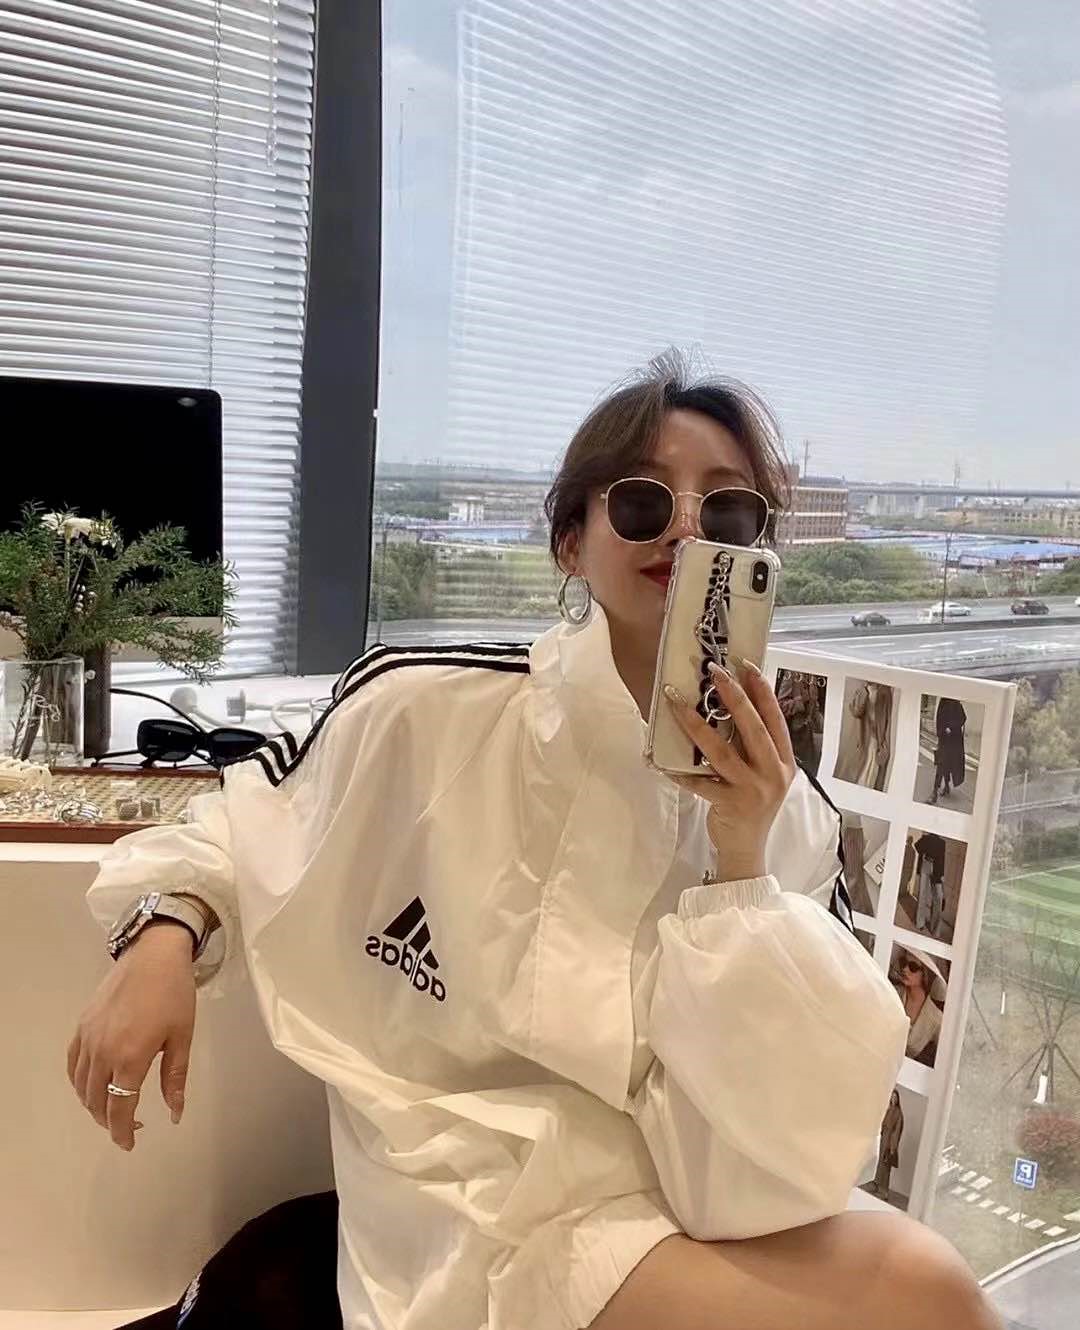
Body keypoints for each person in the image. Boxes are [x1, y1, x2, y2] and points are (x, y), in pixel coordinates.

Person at [69, 354, 1001, 1330]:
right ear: (571, 543)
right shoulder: (431, 705)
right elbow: (249, 809)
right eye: (642, 502)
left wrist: (740, 863)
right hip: (478, 1190)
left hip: (692, 1185)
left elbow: (792, 1130)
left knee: (936, 1288)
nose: (686, 530)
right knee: (925, 1297)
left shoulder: (790, 809)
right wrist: (163, 934)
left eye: (726, 512)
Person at [892, 948, 947, 1068]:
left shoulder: (936, 1019)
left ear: (925, 974)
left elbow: (944, 1058)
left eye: (913, 967)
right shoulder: (893, 993)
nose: (905, 969)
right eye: (903, 963)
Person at [836, 681, 893, 791]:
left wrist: (885, 744)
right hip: (863, 737)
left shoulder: (885, 691)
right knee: (859, 770)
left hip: (877, 738)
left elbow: (888, 720)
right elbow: (856, 712)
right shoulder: (861, 690)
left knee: (872, 771)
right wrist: (864, 694)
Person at [869, 1091, 905, 1201]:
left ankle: (885, 1191)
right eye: (892, 1097)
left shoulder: (898, 1113)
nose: (893, 1099)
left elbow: (897, 1132)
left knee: (886, 1165)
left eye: (895, 1097)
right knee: (880, 1163)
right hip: (883, 1139)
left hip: (889, 1142)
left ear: (898, 1099)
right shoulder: (888, 1109)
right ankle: (876, 1184)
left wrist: (892, 1147)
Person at [931, 698, 968, 804]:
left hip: (954, 740)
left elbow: (963, 718)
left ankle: (945, 787)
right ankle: (934, 792)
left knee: (948, 764)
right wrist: (941, 731)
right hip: (944, 739)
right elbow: (939, 718)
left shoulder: (956, 703)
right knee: (941, 764)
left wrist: (951, 727)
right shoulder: (943, 701)